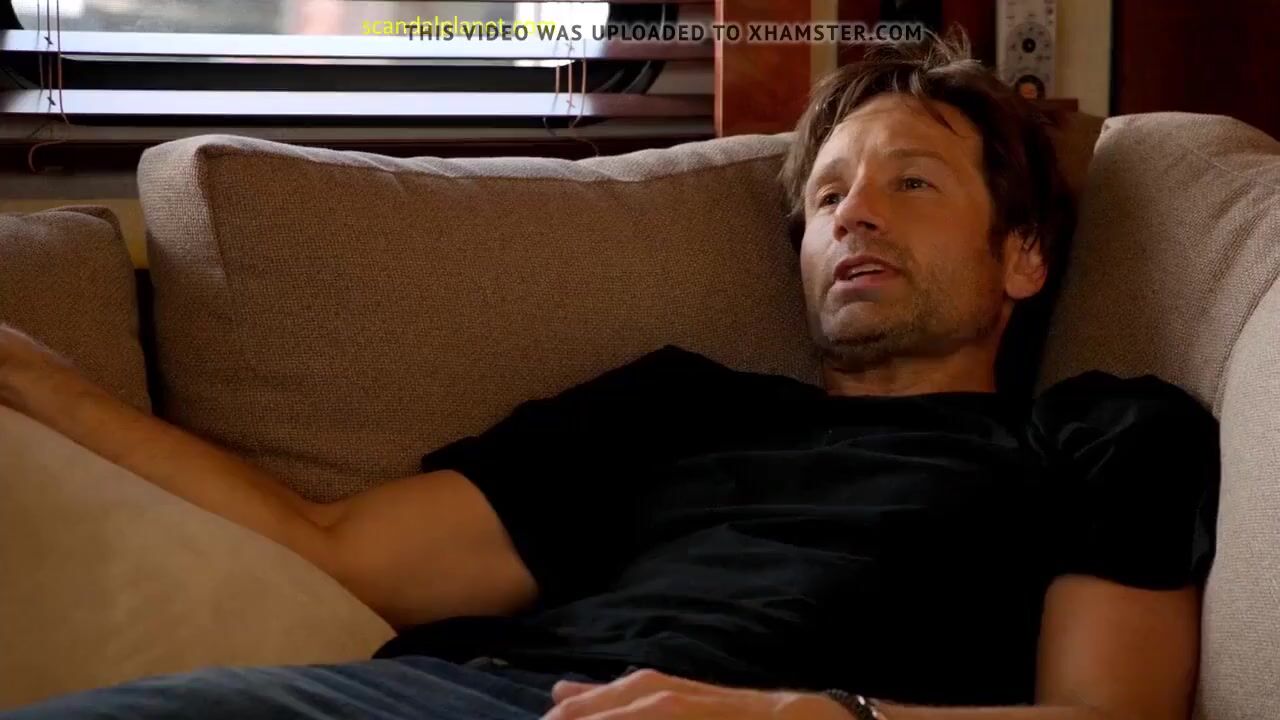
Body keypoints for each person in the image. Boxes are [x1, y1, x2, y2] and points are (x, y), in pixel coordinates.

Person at [0, 30, 1219, 720]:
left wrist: (812, 718)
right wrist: (43, 381)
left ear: (1021, 255)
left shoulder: (1097, 435)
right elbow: (338, 547)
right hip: (482, 702)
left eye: (910, 183)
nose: (852, 217)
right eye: (825, 198)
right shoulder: (677, 407)